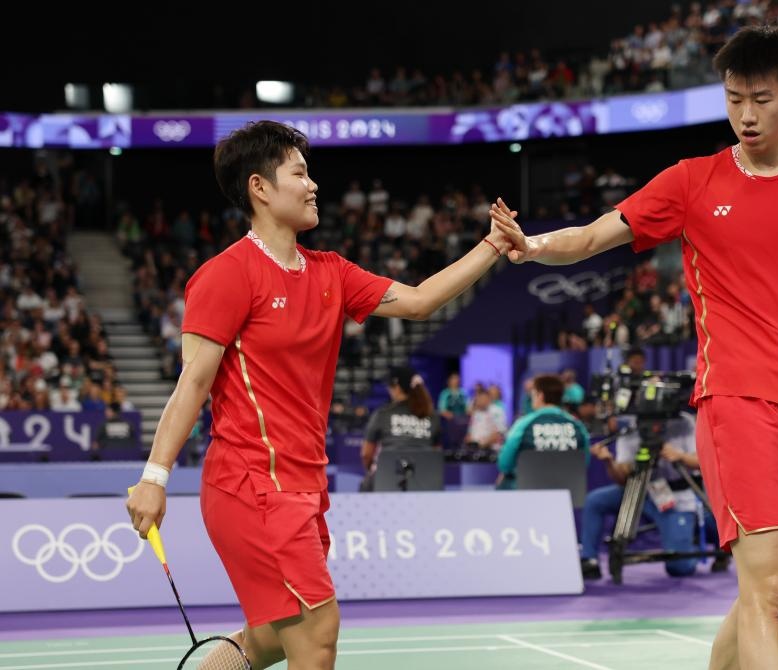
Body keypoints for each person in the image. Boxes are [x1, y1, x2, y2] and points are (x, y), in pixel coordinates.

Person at [490, 25, 778, 670]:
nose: (746, 115)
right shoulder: (692, 181)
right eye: (734, 99)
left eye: (762, 99)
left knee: (770, 590)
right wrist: (535, 245)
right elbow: (595, 234)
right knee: (769, 585)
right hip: (738, 398)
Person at [126, 120, 518, 669]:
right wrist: (154, 477)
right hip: (252, 482)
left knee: (271, 637)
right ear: (260, 187)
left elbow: (420, 301)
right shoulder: (226, 275)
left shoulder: (330, 272)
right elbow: (192, 383)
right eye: (299, 173)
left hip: (305, 484)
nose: (313, 185)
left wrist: (493, 244)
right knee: (317, 630)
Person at [580, 410, 706, 579]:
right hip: (638, 490)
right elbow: (622, 477)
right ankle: (589, 560)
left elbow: (703, 461)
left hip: (675, 497)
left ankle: (692, 541)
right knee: (596, 500)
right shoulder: (631, 426)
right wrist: (609, 462)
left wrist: (680, 456)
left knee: (679, 567)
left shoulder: (684, 422)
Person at [496, 374, 589, 490]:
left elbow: (504, 464)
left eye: (532, 394)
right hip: (567, 493)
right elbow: (584, 463)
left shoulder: (522, 425)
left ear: (540, 395)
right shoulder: (578, 426)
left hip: (528, 492)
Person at [360, 366, 441, 491]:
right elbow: (436, 455)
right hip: (425, 486)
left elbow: (366, 454)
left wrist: (378, 472)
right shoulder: (433, 417)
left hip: (385, 484)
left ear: (397, 388)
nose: (388, 389)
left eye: (389, 386)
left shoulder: (382, 414)